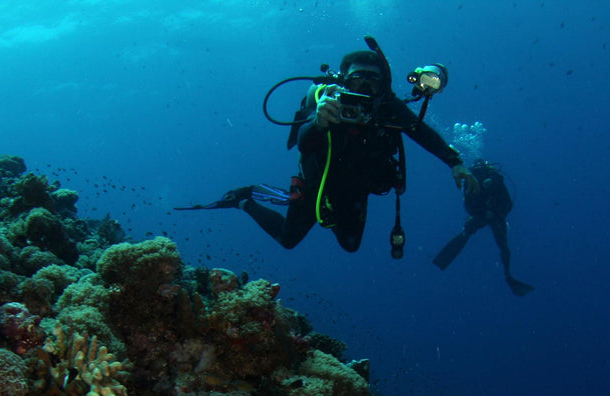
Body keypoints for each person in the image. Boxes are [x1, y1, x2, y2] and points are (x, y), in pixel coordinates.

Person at [197, 48, 478, 254]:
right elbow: (303, 144)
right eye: (358, 78)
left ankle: (325, 210)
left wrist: (455, 161)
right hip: (315, 183)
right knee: (287, 239)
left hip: (356, 189)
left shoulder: (388, 108)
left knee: (351, 246)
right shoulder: (328, 100)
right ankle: (245, 198)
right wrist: (319, 122)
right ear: (345, 79)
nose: (366, 85)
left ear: (384, 85)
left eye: (373, 79)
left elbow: (422, 133)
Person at [433, 159, 533, 296]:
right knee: (501, 244)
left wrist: (494, 212)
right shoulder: (475, 182)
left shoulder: (494, 181)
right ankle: (508, 275)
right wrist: (485, 213)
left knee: (498, 243)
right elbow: (472, 206)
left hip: (493, 215)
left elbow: (504, 204)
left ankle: (508, 275)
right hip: (486, 215)